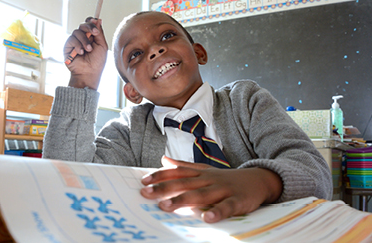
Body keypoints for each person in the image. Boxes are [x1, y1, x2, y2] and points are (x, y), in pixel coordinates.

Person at [47, 12, 331, 223]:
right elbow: (67, 180)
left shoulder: (245, 101)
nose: (156, 50)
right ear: (132, 92)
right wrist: (82, 82)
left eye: (167, 36)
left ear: (199, 52)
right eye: (135, 54)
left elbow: (315, 173)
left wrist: (259, 181)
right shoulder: (128, 131)